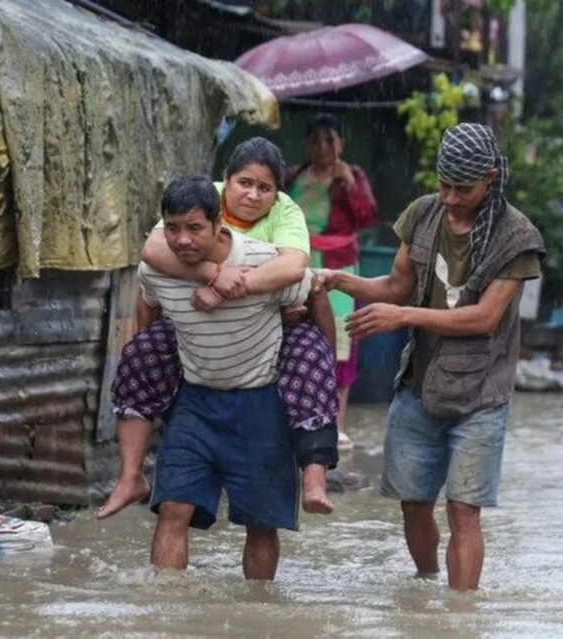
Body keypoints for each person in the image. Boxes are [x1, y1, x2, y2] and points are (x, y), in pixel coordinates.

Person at [317, 123, 544, 590]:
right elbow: (398, 284)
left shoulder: (516, 236)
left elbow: (484, 318)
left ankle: (460, 616)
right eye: (444, 185)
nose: (451, 197)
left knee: (464, 509)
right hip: (418, 386)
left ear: (489, 178)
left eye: (463, 188)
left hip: (481, 393)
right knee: (413, 502)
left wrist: (404, 316)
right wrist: (340, 280)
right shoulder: (424, 214)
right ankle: (426, 590)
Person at [98, 138, 339, 520]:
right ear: (224, 183)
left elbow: (295, 270)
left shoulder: (286, 213)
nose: (253, 194)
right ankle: (130, 476)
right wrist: (212, 274)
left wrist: (229, 290)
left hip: (275, 314)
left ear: (276, 194)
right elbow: (153, 252)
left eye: (265, 187)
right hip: (199, 323)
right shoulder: (198, 200)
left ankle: (315, 477)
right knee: (141, 353)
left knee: (311, 358)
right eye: (244, 183)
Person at [142, 175, 317, 579]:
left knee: (260, 522)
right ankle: (163, 611)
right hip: (194, 400)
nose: (182, 240)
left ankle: (256, 613)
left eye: (194, 228)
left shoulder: (263, 261)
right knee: (172, 508)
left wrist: (317, 385)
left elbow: (308, 292)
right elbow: (147, 311)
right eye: (172, 228)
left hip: (260, 403)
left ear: (219, 224)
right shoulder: (155, 269)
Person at [285, 113, 378, 450]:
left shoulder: (352, 176)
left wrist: (350, 184)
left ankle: (336, 422)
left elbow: (367, 216)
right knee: (295, 327)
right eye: (316, 140)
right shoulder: (293, 175)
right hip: (298, 261)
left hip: (338, 267)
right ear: (307, 145)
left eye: (330, 140)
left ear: (341, 145)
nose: (323, 147)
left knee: (340, 337)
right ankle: (299, 415)